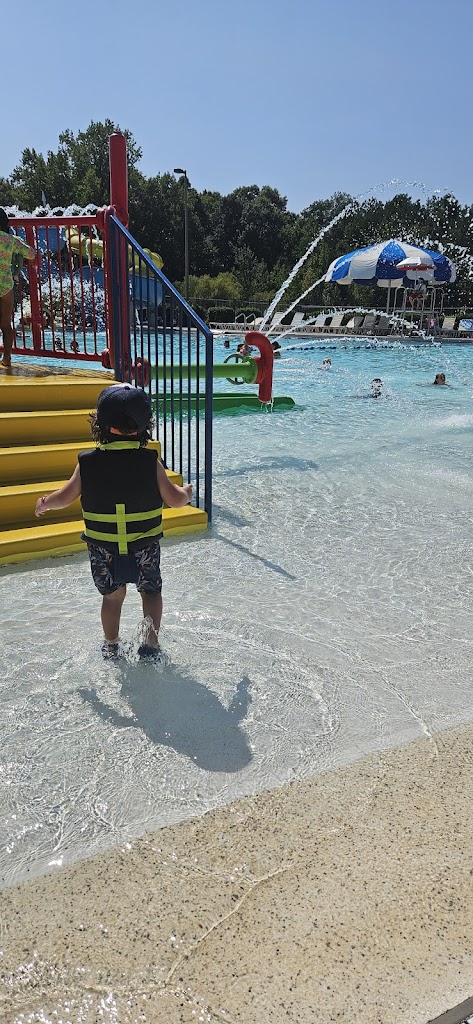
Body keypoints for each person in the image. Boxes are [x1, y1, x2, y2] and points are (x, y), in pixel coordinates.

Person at [35, 383, 192, 660]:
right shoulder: (150, 462)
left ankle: (111, 646)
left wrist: (45, 503)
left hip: (103, 547)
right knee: (150, 593)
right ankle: (150, 646)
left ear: (100, 425)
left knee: (111, 598)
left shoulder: (87, 463)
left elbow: (65, 497)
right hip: (144, 545)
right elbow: (174, 499)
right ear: (144, 426)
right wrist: (187, 493)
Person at [0, 208, 37, 368]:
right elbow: (31, 253)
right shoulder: (10, 240)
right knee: (6, 324)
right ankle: (7, 358)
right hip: (5, 284)